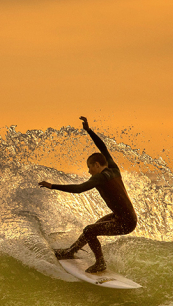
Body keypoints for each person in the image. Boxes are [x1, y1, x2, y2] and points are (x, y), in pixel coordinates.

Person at [39, 116, 138, 274]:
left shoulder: (100, 177)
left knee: (89, 230)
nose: (88, 171)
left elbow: (79, 189)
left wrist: (52, 186)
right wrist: (89, 130)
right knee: (93, 228)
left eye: (90, 167)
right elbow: (103, 148)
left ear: (97, 165)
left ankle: (100, 263)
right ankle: (71, 251)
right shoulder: (113, 168)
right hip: (124, 217)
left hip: (125, 222)